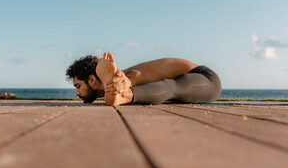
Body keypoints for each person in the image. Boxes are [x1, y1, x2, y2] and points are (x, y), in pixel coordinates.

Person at [66, 52, 221, 106]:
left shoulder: (127, 73)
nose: (77, 93)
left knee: (169, 86)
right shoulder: (117, 77)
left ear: (92, 80)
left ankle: (125, 97)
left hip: (205, 79)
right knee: (167, 89)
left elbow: (133, 77)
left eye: (78, 86)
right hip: (186, 88)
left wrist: (121, 83)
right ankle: (122, 95)